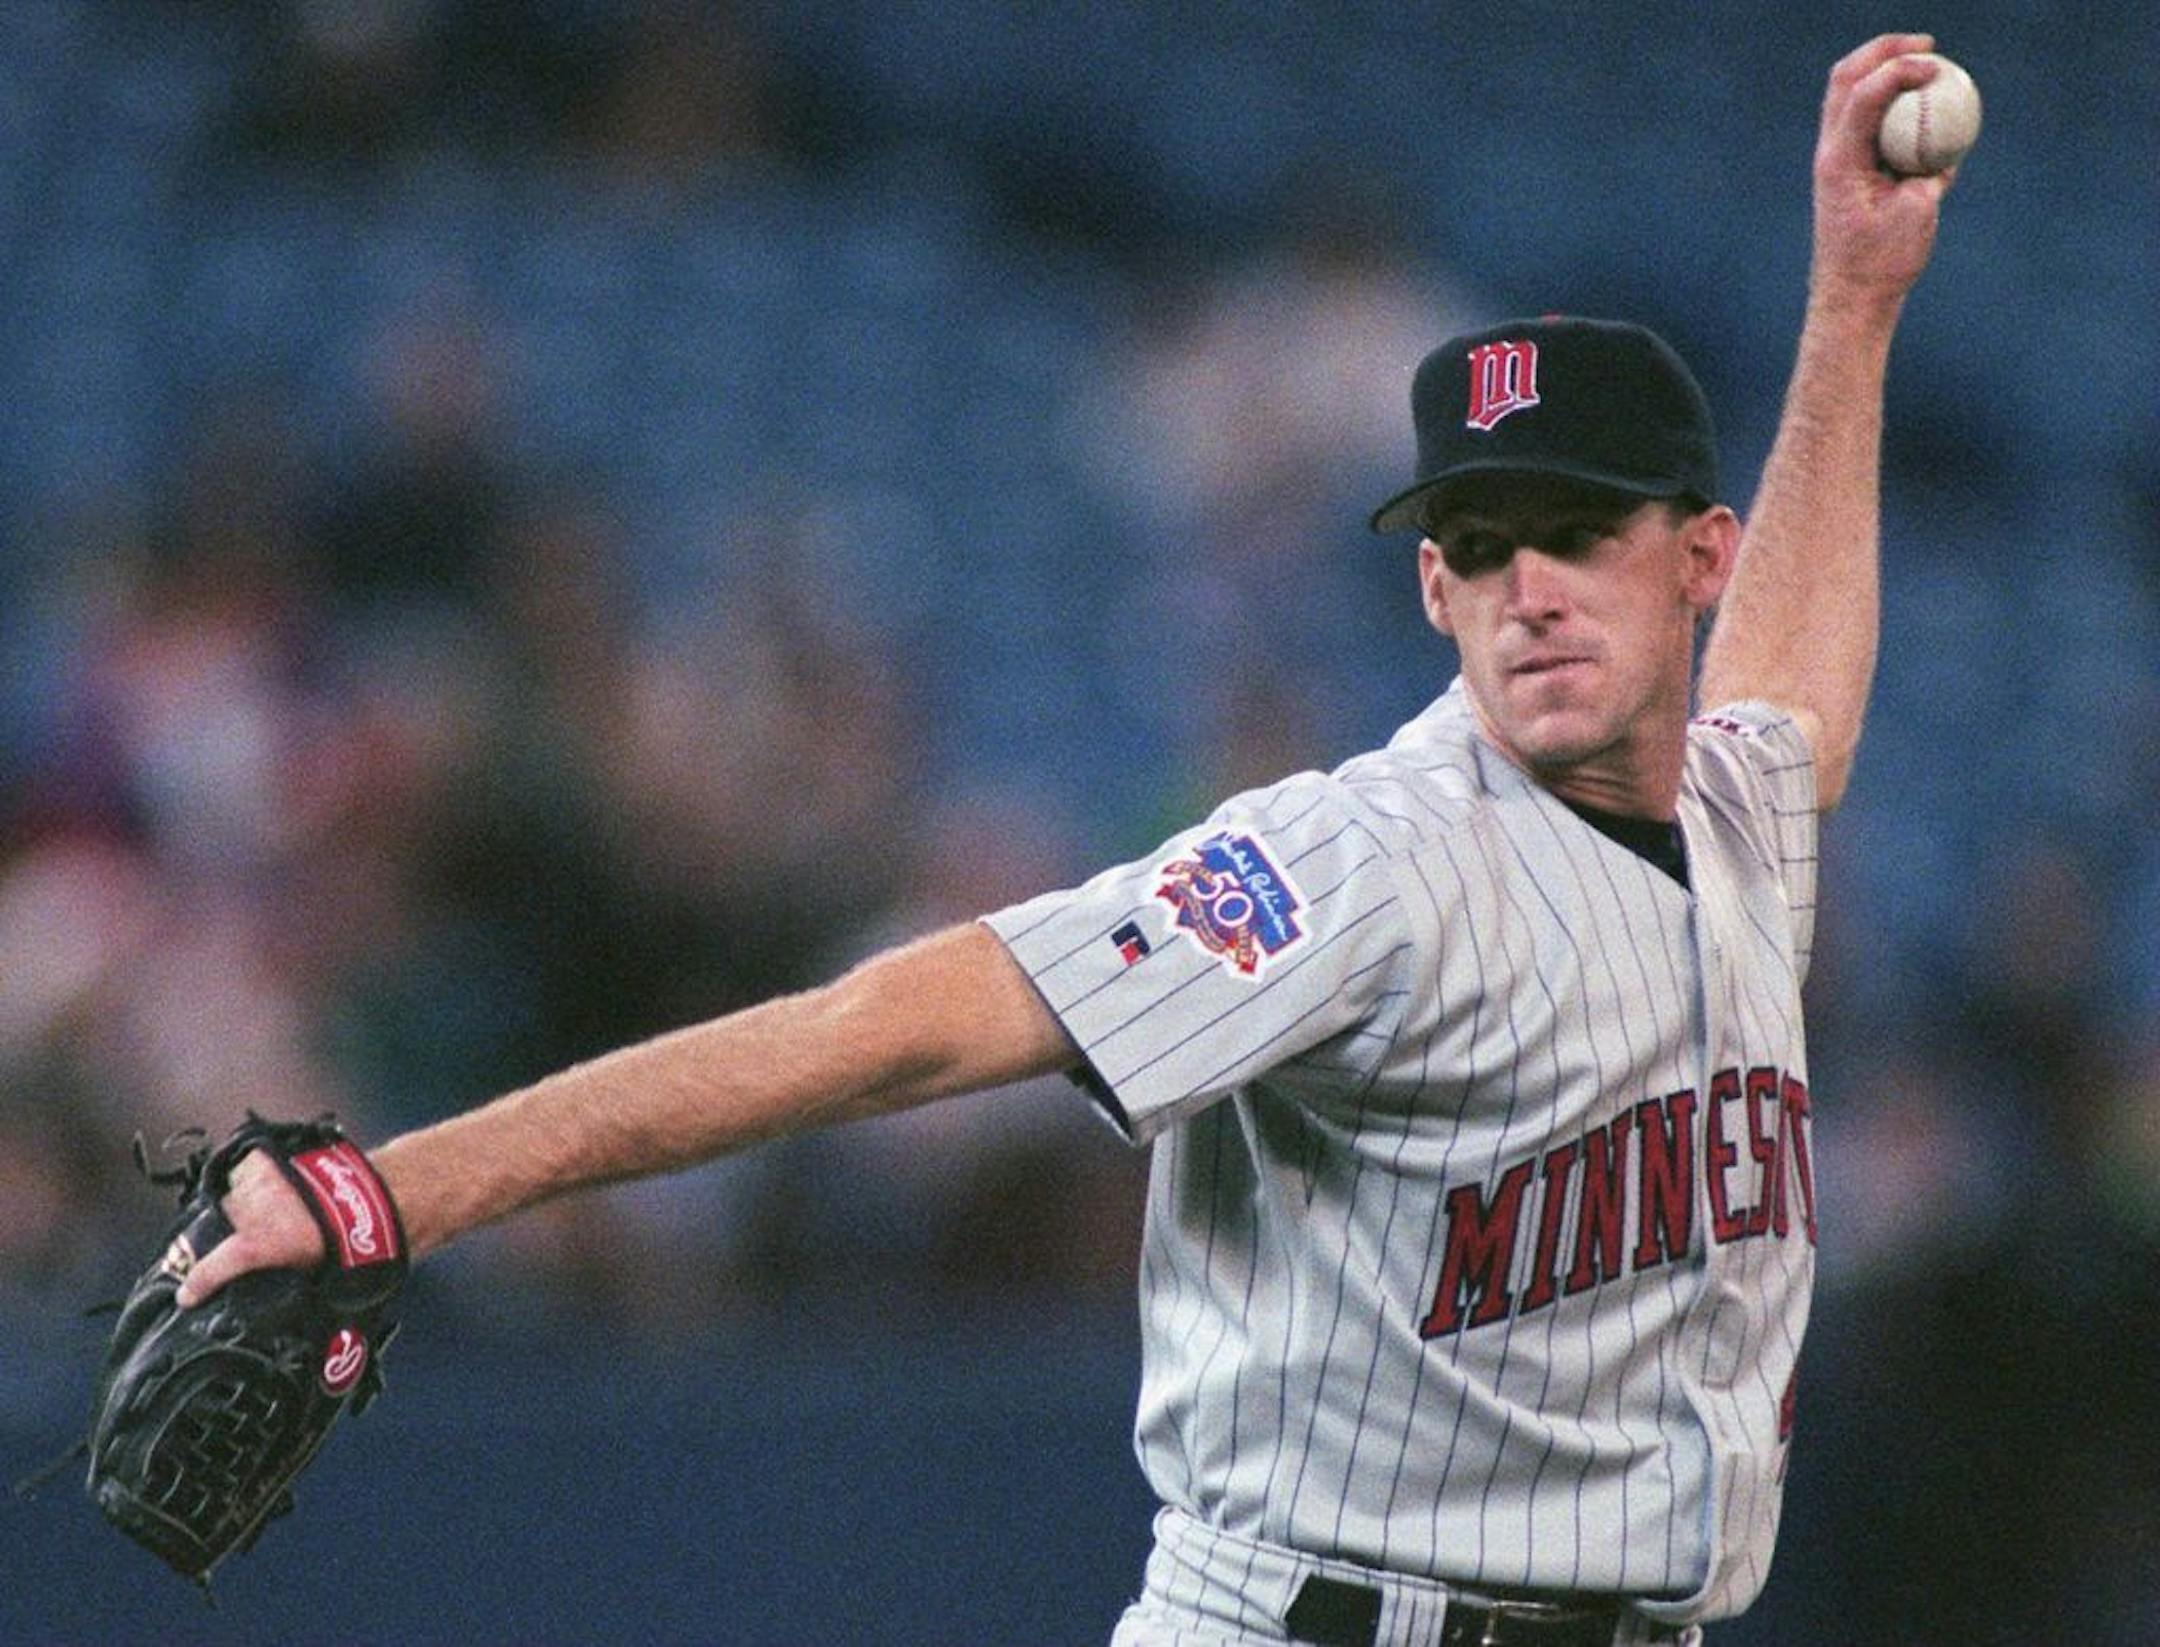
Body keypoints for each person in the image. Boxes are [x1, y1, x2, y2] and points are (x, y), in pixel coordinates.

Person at [177, 35, 1954, 1647]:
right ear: (1430, 585)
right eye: (1484, 543)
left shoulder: (1736, 814)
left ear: (1698, 557)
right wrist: (403, 1190)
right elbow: (893, 1029)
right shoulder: (1368, 863)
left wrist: (1853, 305)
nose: (1531, 589)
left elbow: (1795, 704)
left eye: (1581, 529)